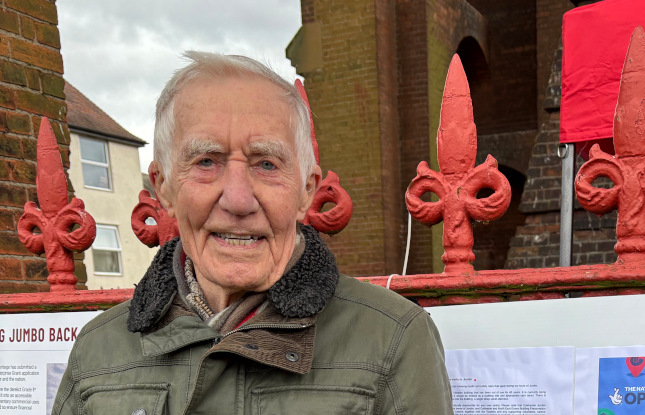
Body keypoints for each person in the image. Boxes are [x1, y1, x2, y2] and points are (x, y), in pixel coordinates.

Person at [52, 51, 454, 414]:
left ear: (306, 192)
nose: (239, 200)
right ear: (164, 188)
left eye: (266, 164)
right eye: (207, 161)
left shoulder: (393, 338)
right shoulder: (97, 351)